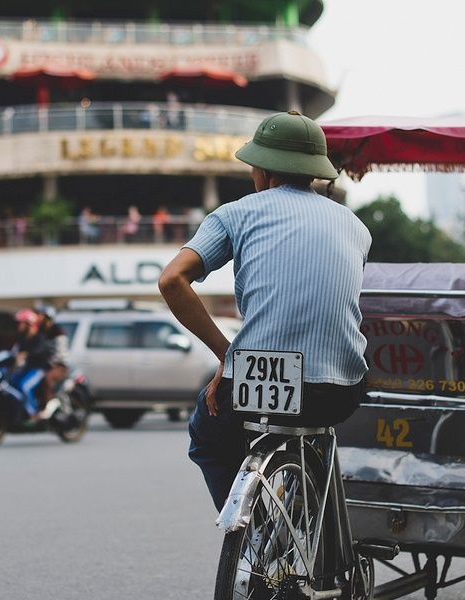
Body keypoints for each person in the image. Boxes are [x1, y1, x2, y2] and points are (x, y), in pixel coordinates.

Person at [159, 110, 372, 509]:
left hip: (259, 382)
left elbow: (172, 280)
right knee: (316, 426)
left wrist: (229, 355)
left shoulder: (235, 214)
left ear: (264, 169)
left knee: (209, 438)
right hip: (340, 388)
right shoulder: (355, 226)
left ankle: (252, 534)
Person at [9, 308, 54, 422]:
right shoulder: (22, 339)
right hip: (26, 369)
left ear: (29, 324)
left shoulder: (39, 338)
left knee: (24, 387)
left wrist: (26, 354)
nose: (19, 326)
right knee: (10, 384)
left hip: (39, 369)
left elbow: (39, 351)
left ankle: (33, 413)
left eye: (21, 323)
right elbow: (14, 352)